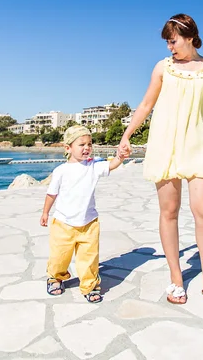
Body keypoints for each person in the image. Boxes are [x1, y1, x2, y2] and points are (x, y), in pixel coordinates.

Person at [119, 13, 203, 314]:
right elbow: (146, 104)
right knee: (169, 211)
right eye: (168, 42)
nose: (170, 47)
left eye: (173, 41)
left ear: (190, 37)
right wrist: (127, 134)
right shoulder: (162, 68)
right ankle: (176, 277)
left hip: (199, 144)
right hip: (165, 143)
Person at [40, 125, 124, 302]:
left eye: (89, 144)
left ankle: (90, 285)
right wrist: (45, 212)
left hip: (89, 223)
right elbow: (51, 193)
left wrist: (121, 156)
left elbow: (111, 165)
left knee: (89, 257)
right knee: (59, 256)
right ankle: (56, 277)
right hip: (63, 223)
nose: (87, 148)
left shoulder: (93, 166)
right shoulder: (61, 171)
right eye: (81, 144)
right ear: (68, 148)